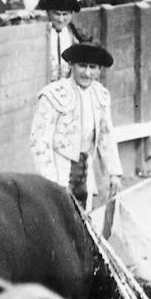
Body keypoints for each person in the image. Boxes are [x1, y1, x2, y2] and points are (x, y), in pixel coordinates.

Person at [29, 40, 123, 208]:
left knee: (84, 215)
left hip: (85, 165)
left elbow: (106, 135)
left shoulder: (101, 95)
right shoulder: (52, 94)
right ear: (72, 65)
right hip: (59, 166)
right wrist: (52, 183)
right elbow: (40, 142)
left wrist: (114, 172)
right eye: (82, 66)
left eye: (93, 67)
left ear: (99, 69)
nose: (87, 73)